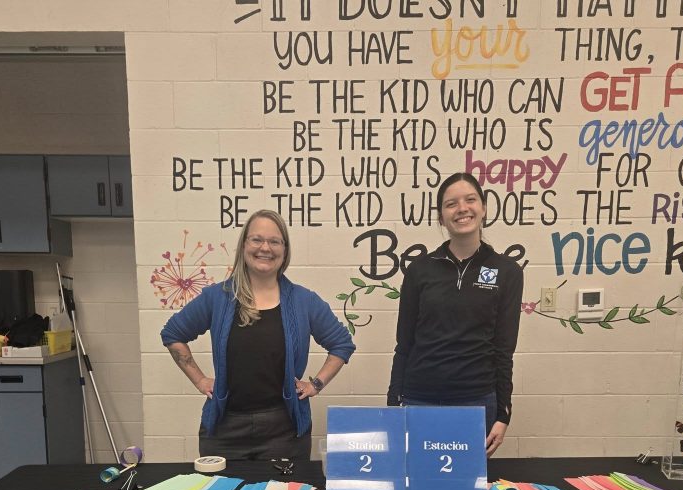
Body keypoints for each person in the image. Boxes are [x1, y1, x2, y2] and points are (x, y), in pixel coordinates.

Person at [161, 209, 355, 460]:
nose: (265, 248)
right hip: (225, 429)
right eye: (257, 239)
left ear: (284, 250)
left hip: (284, 432)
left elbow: (341, 344)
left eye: (275, 241)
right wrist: (199, 380)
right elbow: (173, 333)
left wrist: (316, 384)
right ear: (244, 245)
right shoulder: (218, 297)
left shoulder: (303, 300)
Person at [387, 172, 524, 457]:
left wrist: (503, 412)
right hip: (419, 399)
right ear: (441, 216)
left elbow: (503, 349)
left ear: (484, 208)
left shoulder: (507, 272)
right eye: (451, 203)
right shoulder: (419, 270)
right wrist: (393, 404)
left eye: (470, 200)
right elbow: (404, 344)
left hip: (476, 402)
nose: (462, 208)